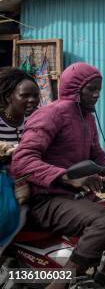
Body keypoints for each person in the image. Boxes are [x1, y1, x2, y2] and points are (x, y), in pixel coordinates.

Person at [10, 62, 105, 288]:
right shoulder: (52, 114)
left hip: (73, 196)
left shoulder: (86, 118)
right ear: (75, 89)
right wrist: (66, 177)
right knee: (103, 220)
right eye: (91, 89)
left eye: (99, 89)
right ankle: (62, 282)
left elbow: (100, 160)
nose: (97, 94)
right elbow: (22, 161)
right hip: (46, 198)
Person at [0, 68, 40, 254]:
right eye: (25, 95)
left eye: (35, 95)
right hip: (5, 181)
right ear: (9, 97)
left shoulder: (35, 122)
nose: (32, 100)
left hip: (28, 177)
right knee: (13, 213)